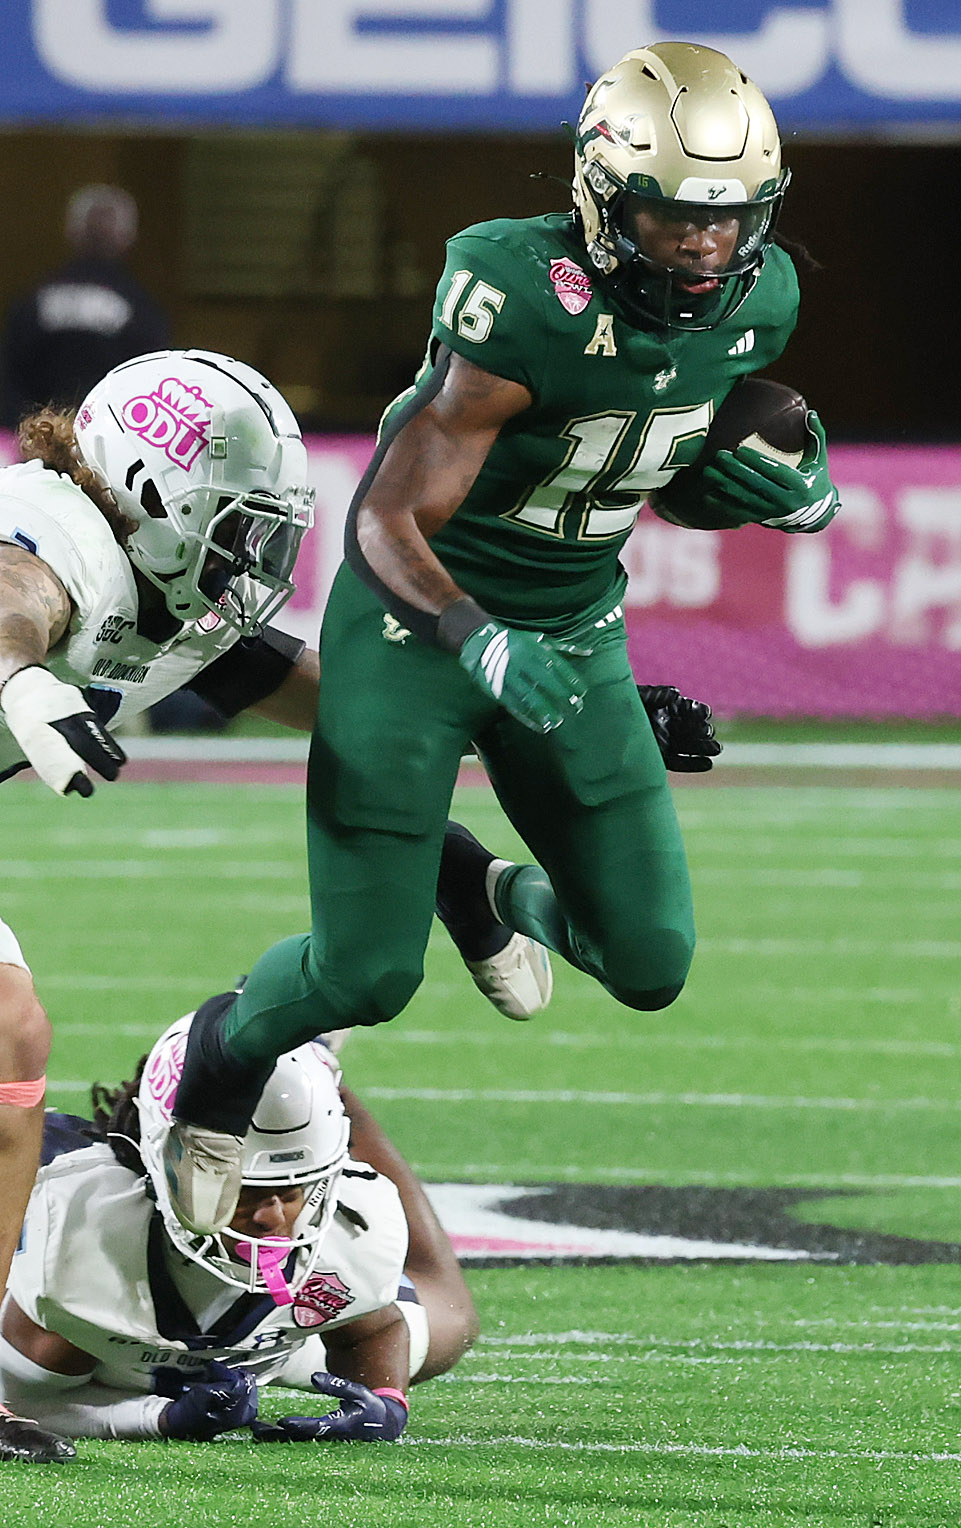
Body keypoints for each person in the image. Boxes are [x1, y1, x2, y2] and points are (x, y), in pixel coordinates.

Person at [163, 39, 838, 1238]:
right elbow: (386, 512)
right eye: (671, 217)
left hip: (572, 629)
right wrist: (474, 639)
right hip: (417, 620)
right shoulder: (516, 291)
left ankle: (485, 887)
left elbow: (639, 459)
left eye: (727, 223)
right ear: (599, 193)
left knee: (647, 960)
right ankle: (214, 1069)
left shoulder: (762, 299)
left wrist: (769, 486)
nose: (701, 248)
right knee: (363, 976)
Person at [0, 1008, 478, 1443]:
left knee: (450, 1321)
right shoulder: (89, 1243)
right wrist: (160, 1418)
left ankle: (316, 1063)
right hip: (121, 1332)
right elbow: (26, 1403)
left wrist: (386, 1402)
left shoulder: (341, 1224)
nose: (272, 1218)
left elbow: (373, 1329)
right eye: (247, 1193)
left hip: (265, 1344)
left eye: (291, 1192)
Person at [0, 185, 172, 429]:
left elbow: (12, 379)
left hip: (42, 436)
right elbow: (152, 379)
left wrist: (19, 433)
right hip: (110, 439)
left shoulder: (33, 302)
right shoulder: (140, 308)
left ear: (72, 232)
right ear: (127, 236)